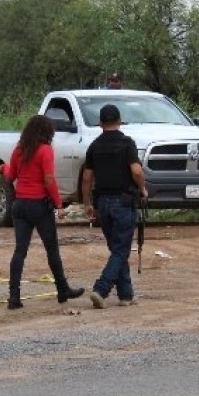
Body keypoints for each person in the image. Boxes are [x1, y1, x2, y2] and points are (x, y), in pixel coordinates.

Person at [0, 115, 84, 310]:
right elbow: (49, 180)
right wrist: (59, 204)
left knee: (20, 251)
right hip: (39, 206)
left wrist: (3, 168)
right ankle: (62, 289)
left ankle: (14, 297)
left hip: (20, 205)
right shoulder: (45, 150)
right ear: (47, 132)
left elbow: (11, 177)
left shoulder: (20, 150)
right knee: (52, 249)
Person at [81, 104, 147, 309]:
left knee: (117, 249)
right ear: (119, 121)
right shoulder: (127, 144)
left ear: (101, 123)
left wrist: (87, 204)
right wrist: (143, 189)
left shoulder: (94, 146)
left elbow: (86, 178)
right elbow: (136, 171)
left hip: (103, 204)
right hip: (123, 202)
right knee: (120, 251)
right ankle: (101, 289)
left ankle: (126, 295)